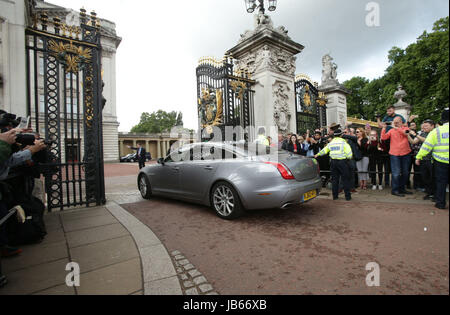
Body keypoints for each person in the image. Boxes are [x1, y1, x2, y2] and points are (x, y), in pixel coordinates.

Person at [416, 109, 449, 210]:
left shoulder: (436, 131)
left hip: (440, 161)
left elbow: (426, 146)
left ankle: (440, 203)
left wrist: (418, 157)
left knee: (441, 182)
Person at [315, 129, 353, 201]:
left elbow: (324, 150)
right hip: (342, 162)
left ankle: (335, 196)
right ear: (341, 135)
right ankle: (348, 197)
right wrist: (348, 158)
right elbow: (349, 155)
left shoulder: (331, 143)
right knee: (345, 179)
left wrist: (317, 154)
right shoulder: (344, 143)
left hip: (333, 163)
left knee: (335, 180)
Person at [381, 116, 412, 197]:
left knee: (405, 173)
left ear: (401, 122)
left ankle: (402, 189)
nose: (395, 123)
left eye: (397, 122)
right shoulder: (391, 130)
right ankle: (395, 190)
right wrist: (384, 128)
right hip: (394, 154)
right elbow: (383, 138)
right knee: (396, 173)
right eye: (394, 122)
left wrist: (396, 128)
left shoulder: (405, 128)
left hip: (405, 153)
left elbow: (406, 133)